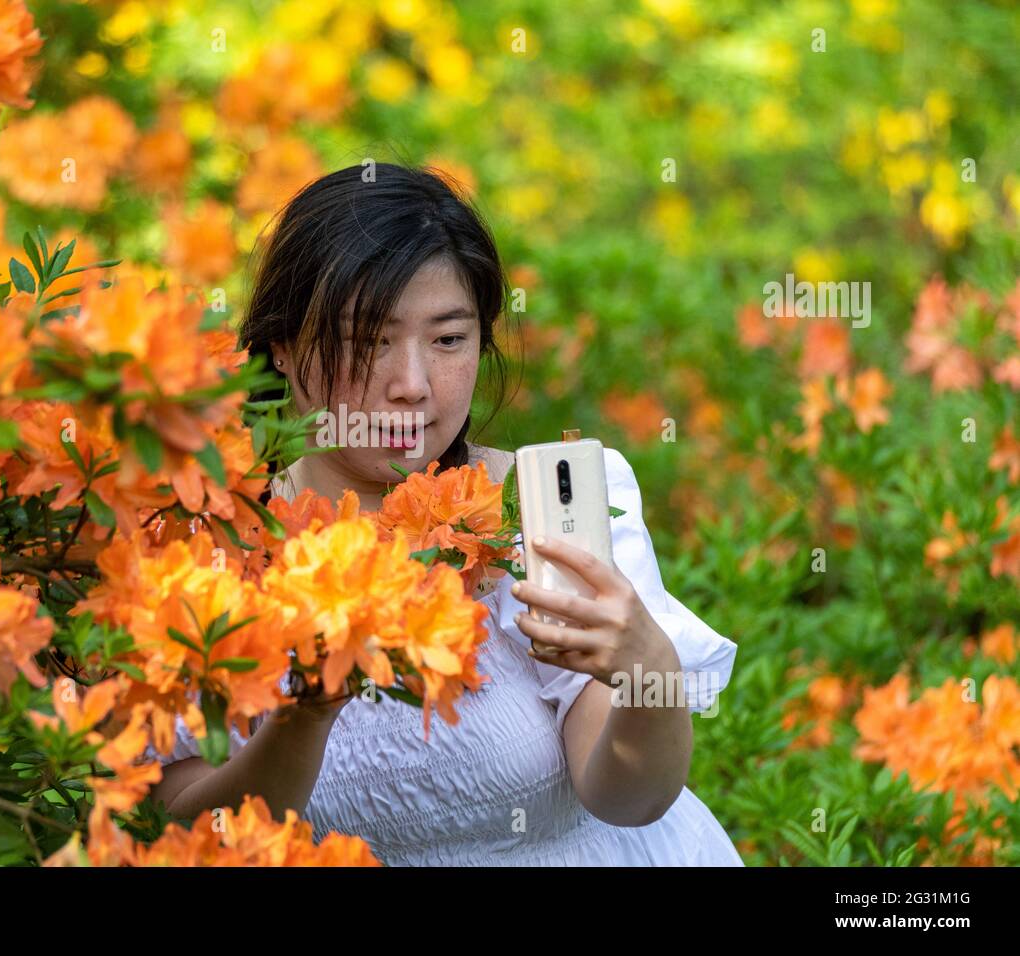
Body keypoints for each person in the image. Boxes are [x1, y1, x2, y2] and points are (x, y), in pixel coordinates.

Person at [146, 162, 742, 865]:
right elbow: (188, 832)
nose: (413, 385)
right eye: (367, 341)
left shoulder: (542, 512)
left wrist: (649, 675)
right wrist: (306, 713)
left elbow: (627, 798)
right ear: (281, 343)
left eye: (449, 339)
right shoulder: (202, 544)